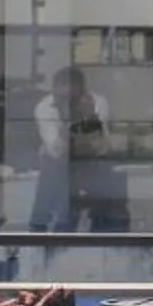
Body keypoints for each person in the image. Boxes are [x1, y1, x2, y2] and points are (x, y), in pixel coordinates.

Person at [32, 66, 104, 231]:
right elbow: (56, 151)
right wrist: (71, 121)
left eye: (72, 97)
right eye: (62, 97)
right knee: (53, 168)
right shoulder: (45, 108)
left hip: (91, 163)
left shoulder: (97, 104)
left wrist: (90, 117)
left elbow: (100, 147)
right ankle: (42, 224)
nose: (67, 101)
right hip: (58, 166)